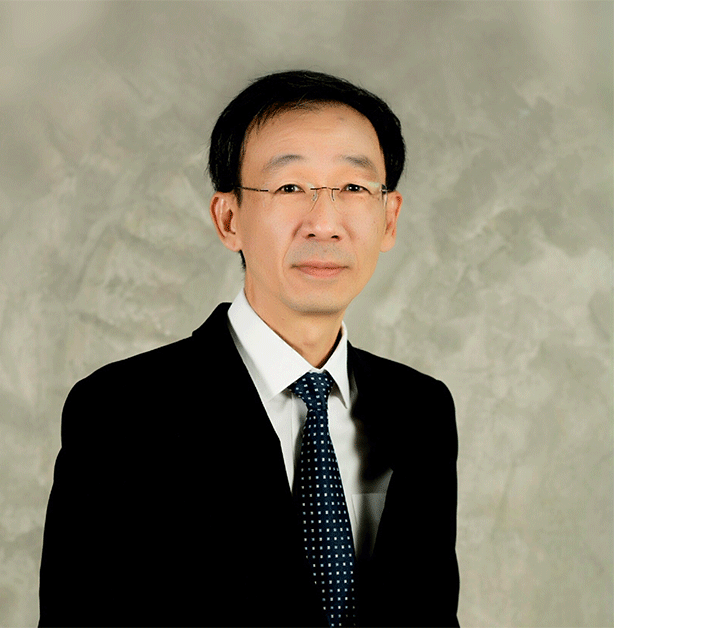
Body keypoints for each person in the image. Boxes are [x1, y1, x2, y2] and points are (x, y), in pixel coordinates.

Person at [38, 70, 459, 627]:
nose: (324, 223)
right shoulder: (122, 411)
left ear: (389, 217)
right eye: (290, 188)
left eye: (354, 188)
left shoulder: (422, 409)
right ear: (229, 218)